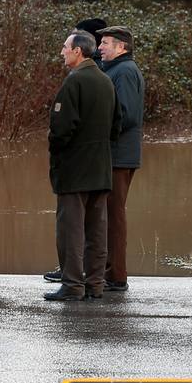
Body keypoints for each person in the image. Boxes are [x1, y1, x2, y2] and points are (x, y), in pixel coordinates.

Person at [45, 30, 118, 302]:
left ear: (78, 51)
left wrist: (56, 150)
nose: (62, 52)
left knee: (71, 230)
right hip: (101, 169)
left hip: (75, 170)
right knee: (97, 231)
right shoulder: (106, 81)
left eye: (65, 47)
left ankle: (73, 285)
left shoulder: (74, 82)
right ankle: (95, 284)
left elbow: (61, 129)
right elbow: (117, 125)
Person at [97, 26, 145, 292]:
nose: (100, 47)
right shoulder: (114, 70)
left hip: (119, 156)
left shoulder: (125, 71)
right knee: (107, 214)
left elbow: (126, 116)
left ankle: (116, 276)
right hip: (115, 154)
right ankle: (106, 271)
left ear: (121, 47)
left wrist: (99, 132)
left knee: (114, 216)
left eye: (105, 43)